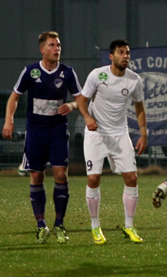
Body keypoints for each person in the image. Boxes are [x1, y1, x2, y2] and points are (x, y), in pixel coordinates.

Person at [2, 31, 82, 244]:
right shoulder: (30, 71)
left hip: (57, 131)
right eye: (52, 45)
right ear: (42, 49)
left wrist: (73, 105)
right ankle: (40, 225)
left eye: (58, 45)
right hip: (35, 132)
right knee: (36, 177)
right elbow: (14, 97)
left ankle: (59, 224)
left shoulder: (67, 72)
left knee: (60, 175)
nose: (57, 49)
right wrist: (8, 120)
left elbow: (80, 99)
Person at [76, 39, 148, 244]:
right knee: (93, 179)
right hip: (96, 135)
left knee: (132, 178)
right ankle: (95, 226)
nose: (125, 56)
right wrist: (88, 118)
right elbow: (81, 100)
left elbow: (139, 107)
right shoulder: (97, 75)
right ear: (111, 56)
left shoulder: (134, 80)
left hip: (120, 134)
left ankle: (129, 226)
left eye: (127, 53)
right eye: (121, 52)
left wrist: (144, 134)